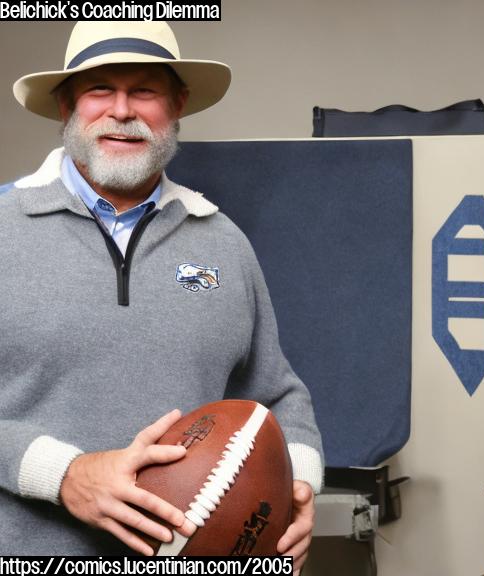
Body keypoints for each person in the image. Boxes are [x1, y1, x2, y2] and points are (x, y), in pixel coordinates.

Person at [0, 21, 324, 568]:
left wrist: (296, 485)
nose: (122, 110)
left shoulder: (224, 242)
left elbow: (280, 395)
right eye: (100, 88)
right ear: (66, 108)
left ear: (176, 107)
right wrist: (63, 476)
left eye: (144, 91)